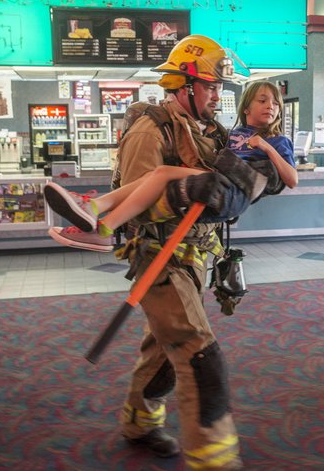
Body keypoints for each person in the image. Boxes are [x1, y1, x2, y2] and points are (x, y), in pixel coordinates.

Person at [46, 35, 254, 470]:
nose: (218, 96)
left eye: (219, 88)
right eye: (211, 87)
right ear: (185, 86)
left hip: (195, 255)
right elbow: (137, 204)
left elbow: (229, 186)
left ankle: (140, 421)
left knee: (162, 352)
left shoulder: (209, 130)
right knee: (198, 353)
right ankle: (213, 455)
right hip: (159, 257)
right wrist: (183, 192)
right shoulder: (150, 129)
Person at [44, 80, 298, 252]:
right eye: (263, 101)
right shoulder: (231, 132)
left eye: (275, 103)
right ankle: (94, 207)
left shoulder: (278, 140)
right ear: (247, 107)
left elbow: (291, 179)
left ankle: (103, 223)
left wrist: (267, 147)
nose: (270, 107)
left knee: (162, 174)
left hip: (232, 185)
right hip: (218, 178)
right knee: (159, 174)